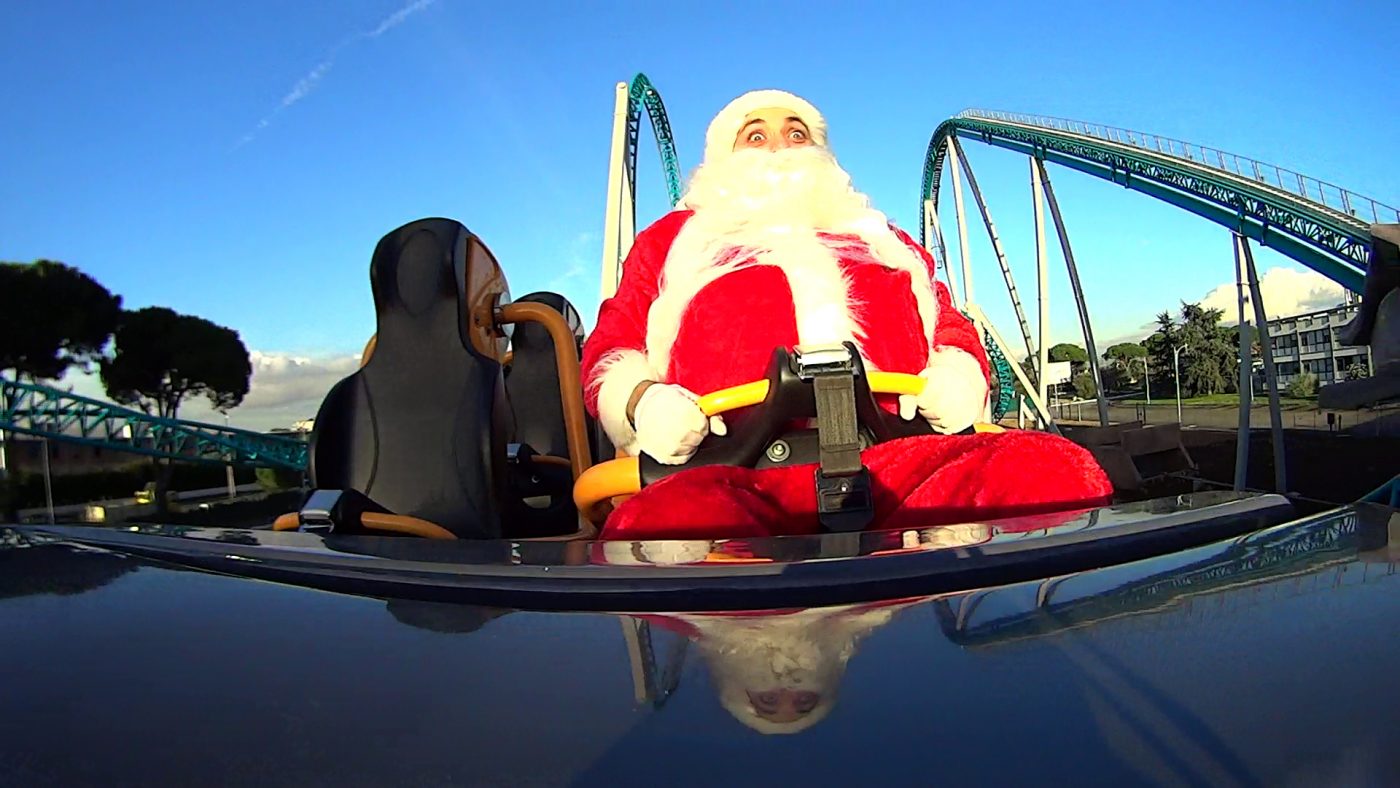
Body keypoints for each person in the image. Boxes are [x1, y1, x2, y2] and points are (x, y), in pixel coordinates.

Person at [582, 89, 1111, 540]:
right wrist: (642, 400)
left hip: (899, 455)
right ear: (722, 156)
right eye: (755, 136)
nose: (780, 147)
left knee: (1056, 473)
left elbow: (949, 323)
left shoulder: (883, 238)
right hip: (729, 466)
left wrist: (958, 373)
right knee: (663, 526)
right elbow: (613, 346)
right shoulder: (671, 240)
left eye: (797, 134)